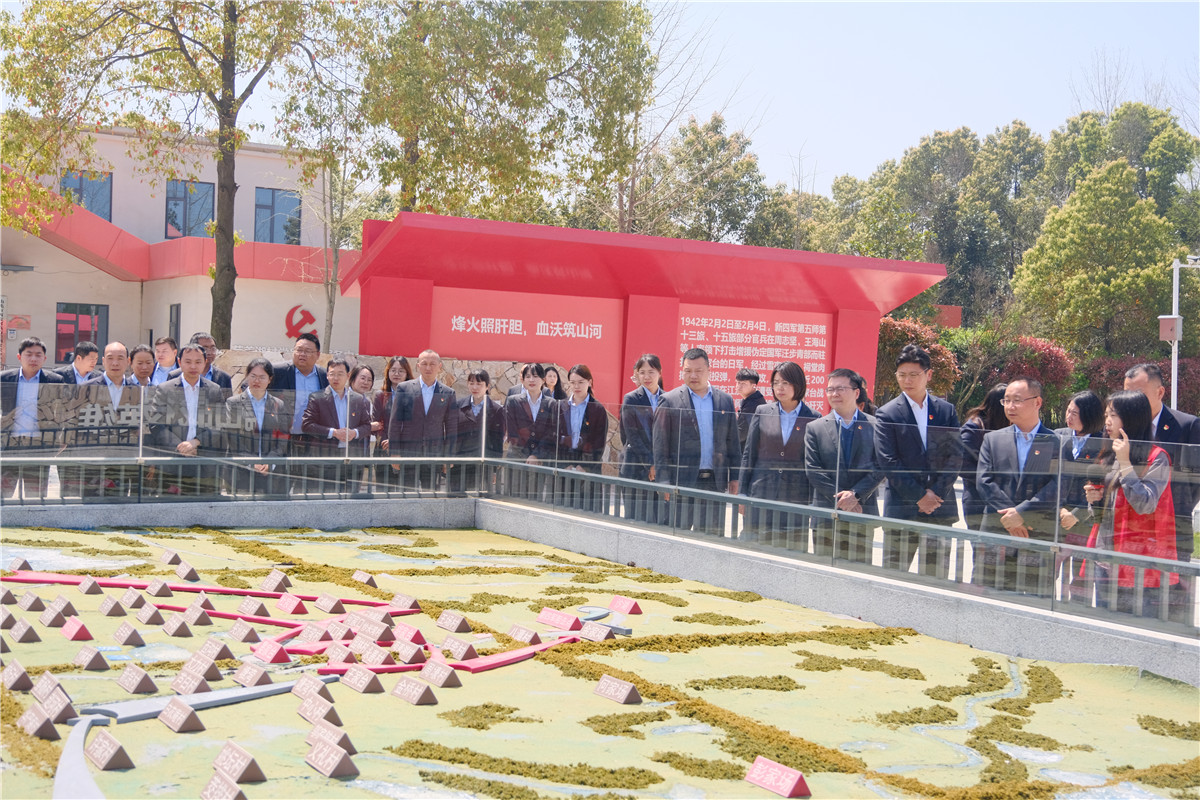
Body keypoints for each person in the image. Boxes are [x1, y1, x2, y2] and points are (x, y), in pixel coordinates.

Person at [1083, 390, 1178, 616]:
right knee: (1105, 623)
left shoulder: (1156, 457)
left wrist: (1125, 463)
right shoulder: (1109, 454)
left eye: (1113, 415)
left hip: (1137, 559)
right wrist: (1093, 501)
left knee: (1135, 623)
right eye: (1106, 415)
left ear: (1133, 418)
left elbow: (1145, 504)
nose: (1107, 422)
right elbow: (1101, 514)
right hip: (1105, 557)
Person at [874, 344, 961, 576]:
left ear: (928, 374)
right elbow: (888, 460)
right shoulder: (887, 413)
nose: (907, 380)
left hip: (940, 508)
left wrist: (936, 493)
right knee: (894, 577)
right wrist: (919, 496)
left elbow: (955, 456)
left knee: (936, 577)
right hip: (902, 508)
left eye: (914, 374)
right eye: (902, 375)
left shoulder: (946, 411)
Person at [1123, 363, 1199, 623]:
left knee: (1174, 607)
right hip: (1129, 531)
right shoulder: (1123, 427)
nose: (1132, 401)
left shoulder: (1187, 425)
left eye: (1138, 394)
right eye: (1127, 393)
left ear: (1160, 392)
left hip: (1172, 529)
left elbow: (1194, 481)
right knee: (1130, 608)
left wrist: (1171, 509)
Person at [976, 378, 1063, 595]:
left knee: (1035, 597)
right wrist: (1010, 516)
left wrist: (1022, 513)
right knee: (990, 595)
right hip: (997, 528)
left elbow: (1059, 485)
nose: (1010, 406)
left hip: (1035, 531)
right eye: (1006, 400)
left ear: (1037, 402)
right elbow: (984, 481)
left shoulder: (1056, 442)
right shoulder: (993, 440)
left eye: (1017, 400)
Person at [653, 348, 741, 535]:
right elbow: (660, 444)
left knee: (710, 538)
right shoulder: (669, 400)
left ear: (709, 370)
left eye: (698, 371)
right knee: (676, 536)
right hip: (680, 482)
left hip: (714, 483)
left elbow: (732, 442)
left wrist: (735, 477)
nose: (693, 375)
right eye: (688, 370)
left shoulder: (724, 401)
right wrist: (663, 479)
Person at [805, 368, 884, 562]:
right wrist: (843, 500)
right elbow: (813, 470)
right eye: (830, 389)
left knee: (858, 572)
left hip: (861, 512)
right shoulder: (815, 428)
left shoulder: (876, 426)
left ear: (856, 393)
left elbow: (880, 467)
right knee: (823, 572)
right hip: (826, 514)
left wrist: (856, 495)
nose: (834, 394)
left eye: (840, 388)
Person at [738, 361, 819, 546]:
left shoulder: (813, 418)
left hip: (795, 499)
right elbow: (749, 454)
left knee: (790, 550)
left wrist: (813, 502)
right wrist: (742, 493)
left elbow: (813, 463)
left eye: (785, 383)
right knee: (754, 548)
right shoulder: (763, 411)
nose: (779, 388)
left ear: (798, 384)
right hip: (761, 494)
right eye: (775, 383)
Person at [149, 343, 227, 496]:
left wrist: (196, 442)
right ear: (179, 362)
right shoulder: (165, 389)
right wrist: (181, 447)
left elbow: (220, 423)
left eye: (198, 362)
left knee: (206, 505)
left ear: (205, 362)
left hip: (204, 460)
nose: (193, 366)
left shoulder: (214, 390)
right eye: (188, 361)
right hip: (172, 460)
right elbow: (156, 424)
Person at [1055, 389, 1106, 602]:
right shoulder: (1057, 436)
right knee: (1048, 574)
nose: (1069, 416)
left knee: (1081, 580)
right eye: (1068, 411)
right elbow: (1047, 479)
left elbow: (1103, 487)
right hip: (1056, 518)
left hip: (1086, 522)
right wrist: (1060, 509)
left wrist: (1076, 513)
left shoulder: (1104, 442)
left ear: (1089, 415)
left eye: (1074, 413)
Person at [1, 336, 65, 500]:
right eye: (29, 354)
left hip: (39, 446)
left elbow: (61, 412)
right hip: (9, 445)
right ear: (19, 356)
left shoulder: (54, 381)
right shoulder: (4, 379)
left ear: (44, 358)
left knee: (35, 498)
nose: (33, 359)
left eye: (38, 355)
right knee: (2, 495)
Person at [76, 342, 142, 496]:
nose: (115, 363)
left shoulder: (138, 390)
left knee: (119, 501)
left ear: (128, 361)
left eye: (120, 358)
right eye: (110, 358)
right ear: (103, 361)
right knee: (90, 500)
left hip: (123, 458)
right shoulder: (87, 388)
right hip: (93, 458)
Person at [388, 350, 457, 493]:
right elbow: (395, 422)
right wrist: (394, 453)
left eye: (432, 364)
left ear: (439, 366)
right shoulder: (404, 388)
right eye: (424, 364)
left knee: (430, 496)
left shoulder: (448, 393)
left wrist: (449, 456)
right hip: (408, 453)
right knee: (406, 495)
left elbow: (451, 427)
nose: (428, 368)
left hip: (434, 455)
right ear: (418, 366)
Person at [301, 357, 371, 496]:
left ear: (348, 376)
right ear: (327, 376)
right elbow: (307, 425)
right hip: (326, 458)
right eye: (332, 374)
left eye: (340, 374)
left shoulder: (357, 399)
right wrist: (333, 432)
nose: (336, 378)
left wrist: (355, 433)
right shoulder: (317, 398)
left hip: (351, 458)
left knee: (351, 498)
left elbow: (367, 426)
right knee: (327, 497)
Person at [269, 332, 328, 487]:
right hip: (282, 439)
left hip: (313, 442)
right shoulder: (277, 371)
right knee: (278, 487)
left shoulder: (324, 375)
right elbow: (251, 387)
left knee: (308, 489)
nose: (302, 354)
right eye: (298, 350)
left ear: (318, 355)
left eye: (307, 351)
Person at [224, 358, 287, 496]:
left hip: (270, 472)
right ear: (247, 376)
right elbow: (232, 437)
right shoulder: (233, 403)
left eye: (262, 377)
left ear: (269, 379)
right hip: (241, 471)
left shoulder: (278, 404)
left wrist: (270, 461)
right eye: (253, 376)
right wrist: (252, 462)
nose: (257, 381)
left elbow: (282, 438)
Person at [503, 363, 559, 499]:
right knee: (514, 499)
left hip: (539, 462)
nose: (531, 380)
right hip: (517, 458)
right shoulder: (513, 401)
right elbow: (512, 431)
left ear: (543, 379)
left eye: (535, 376)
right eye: (527, 376)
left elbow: (552, 433)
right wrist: (528, 456)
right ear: (523, 380)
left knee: (534, 500)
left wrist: (536, 455)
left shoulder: (551, 404)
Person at [619, 354, 664, 522]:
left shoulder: (667, 399)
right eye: (642, 372)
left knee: (659, 520)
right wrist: (650, 463)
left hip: (661, 471)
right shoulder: (631, 399)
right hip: (635, 468)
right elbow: (631, 436)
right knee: (635, 520)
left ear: (659, 373)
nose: (647, 377)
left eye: (651, 372)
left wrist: (659, 464)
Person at [960, 384, 1009, 531]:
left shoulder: (1004, 426)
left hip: (1003, 501)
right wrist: (990, 479)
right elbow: (962, 464)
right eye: (1008, 401)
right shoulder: (974, 427)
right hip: (978, 500)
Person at [450, 368, 505, 495]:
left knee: (481, 498)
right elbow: (451, 434)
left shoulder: (496, 410)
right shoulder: (458, 405)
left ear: (487, 386)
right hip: (460, 463)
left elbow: (497, 442)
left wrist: (494, 470)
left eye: (479, 384)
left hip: (483, 464)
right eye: (471, 383)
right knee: (457, 498)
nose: (475, 387)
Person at [373, 356, 411, 490]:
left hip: (406, 449)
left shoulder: (413, 395)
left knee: (405, 491)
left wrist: (396, 441)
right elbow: (377, 424)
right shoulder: (380, 395)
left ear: (407, 373)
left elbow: (414, 424)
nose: (396, 374)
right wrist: (388, 442)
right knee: (384, 492)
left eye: (401, 371)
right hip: (384, 449)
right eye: (393, 370)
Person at [349, 363, 378, 492]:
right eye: (362, 378)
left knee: (355, 491)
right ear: (352, 379)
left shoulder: (367, 401)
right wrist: (370, 427)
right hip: (347, 452)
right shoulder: (345, 398)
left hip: (361, 453)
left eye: (369, 380)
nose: (366, 382)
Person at [735, 367, 767, 452]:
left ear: (753, 386)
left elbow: (742, 434)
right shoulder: (750, 400)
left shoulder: (754, 404)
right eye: (738, 382)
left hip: (751, 452)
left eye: (743, 383)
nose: (739, 386)